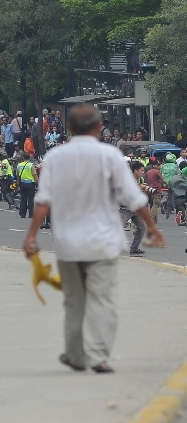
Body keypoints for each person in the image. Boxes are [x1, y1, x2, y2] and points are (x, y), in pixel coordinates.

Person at [22, 104, 165, 373]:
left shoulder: (55, 157)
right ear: (100, 128)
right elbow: (133, 197)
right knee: (102, 299)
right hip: (103, 241)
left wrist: (31, 235)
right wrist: (151, 226)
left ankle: (76, 355)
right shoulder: (110, 156)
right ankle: (99, 355)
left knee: (75, 300)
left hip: (67, 242)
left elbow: (43, 200)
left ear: (69, 129)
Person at [120, 161, 150, 256]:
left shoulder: (141, 179)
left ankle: (134, 249)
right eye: (141, 170)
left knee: (142, 227)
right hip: (125, 208)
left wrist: (145, 191)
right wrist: (139, 187)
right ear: (135, 170)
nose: (142, 172)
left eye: (143, 170)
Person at [16, 152, 38, 219]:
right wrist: (39, 182)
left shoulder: (19, 165)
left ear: (23, 157)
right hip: (30, 184)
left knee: (23, 199)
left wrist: (17, 183)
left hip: (22, 184)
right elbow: (35, 175)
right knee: (30, 199)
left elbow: (17, 175)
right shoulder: (31, 165)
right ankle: (31, 214)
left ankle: (22, 213)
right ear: (30, 157)